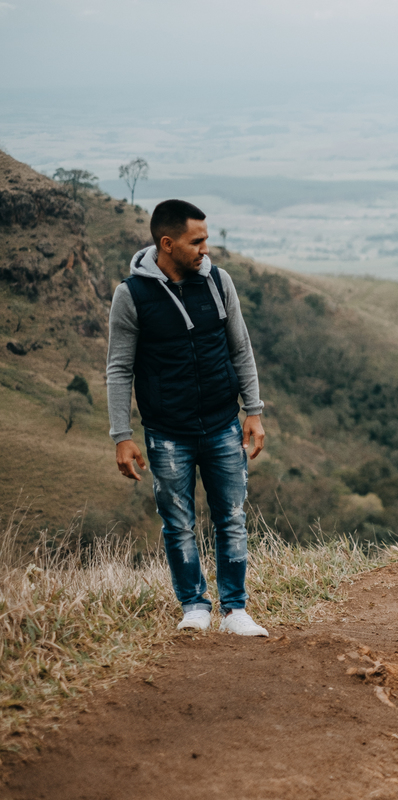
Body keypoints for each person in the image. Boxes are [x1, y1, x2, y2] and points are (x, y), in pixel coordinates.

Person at [106, 199, 269, 637]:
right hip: (167, 433)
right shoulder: (132, 294)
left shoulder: (218, 281)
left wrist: (252, 411)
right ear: (167, 243)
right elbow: (119, 368)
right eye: (196, 241)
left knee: (231, 516)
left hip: (222, 424)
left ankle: (236, 610)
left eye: (206, 238)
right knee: (177, 524)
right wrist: (122, 435)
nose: (205, 248)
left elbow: (241, 348)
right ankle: (194, 606)